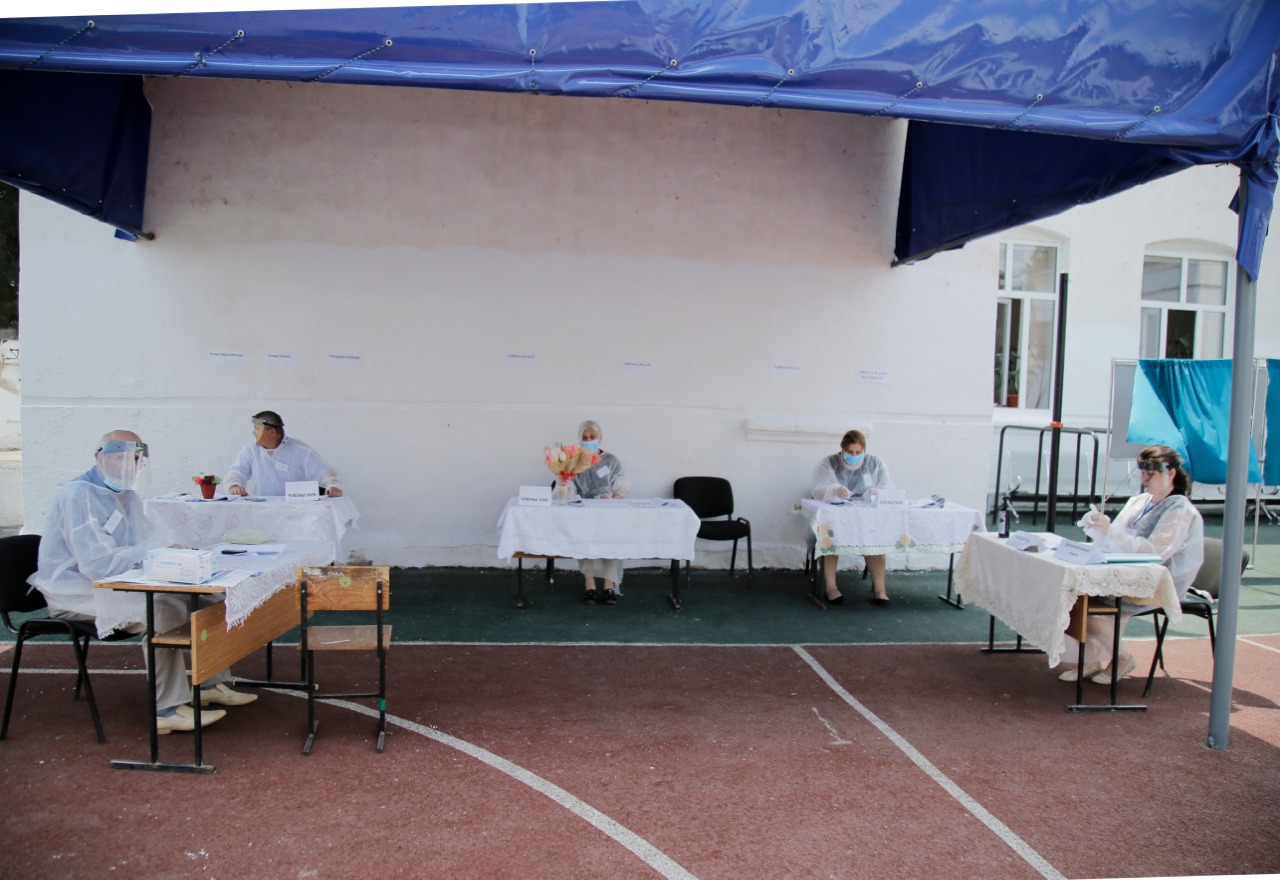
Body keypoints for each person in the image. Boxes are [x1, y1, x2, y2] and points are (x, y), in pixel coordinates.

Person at [28, 430, 257, 734]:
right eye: (119, 457)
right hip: (75, 591)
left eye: (134, 459)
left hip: (122, 582)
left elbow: (150, 539)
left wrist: (176, 552)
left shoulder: (126, 496)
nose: (127, 465)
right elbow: (96, 565)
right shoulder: (78, 495)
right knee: (162, 611)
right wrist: (154, 554)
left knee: (208, 601)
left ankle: (209, 685)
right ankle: (168, 709)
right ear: (99, 457)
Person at [1062, 444, 1205, 685]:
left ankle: (1120, 657)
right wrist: (1098, 528)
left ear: (1170, 473)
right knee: (1072, 592)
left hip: (1160, 581)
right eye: (1143, 473)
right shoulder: (1139, 501)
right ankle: (1090, 658)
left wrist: (1110, 532)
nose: (1144, 479)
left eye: (1151, 474)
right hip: (1128, 570)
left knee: (1091, 597)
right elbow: (1115, 539)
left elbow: (1155, 553)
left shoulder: (1180, 510)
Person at [810, 429, 894, 606]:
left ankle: (880, 591)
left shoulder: (874, 463)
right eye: (850, 452)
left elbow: (888, 488)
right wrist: (834, 490)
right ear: (842, 448)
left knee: (875, 540)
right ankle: (831, 588)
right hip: (836, 516)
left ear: (864, 450)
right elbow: (817, 489)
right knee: (829, 538)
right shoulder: (828, 464)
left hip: (866, 517)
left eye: (858, 452)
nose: (854, 456)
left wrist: (878, 492)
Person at [571, 420, 630, 605]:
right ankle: (589, 585)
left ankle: (608, 585)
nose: (589, 440)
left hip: (606, 510)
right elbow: (568, 484)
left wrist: (615, 499)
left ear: (600, 437)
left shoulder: (611, 460)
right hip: (583, 510)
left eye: (592, 436)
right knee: (585, 545)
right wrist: (568, 492)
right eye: (585, 437)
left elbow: (621, 481)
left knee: (609, 545)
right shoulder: (575, 460)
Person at [224, 410, 344, 497]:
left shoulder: (300, 450)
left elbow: (325, 471)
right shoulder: (251, 451)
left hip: (296, 510)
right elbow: (236, 472)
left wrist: (333, 485)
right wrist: (234, 485)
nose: (253, 432)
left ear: (272, 432)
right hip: (262, 509)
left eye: (257, 429)